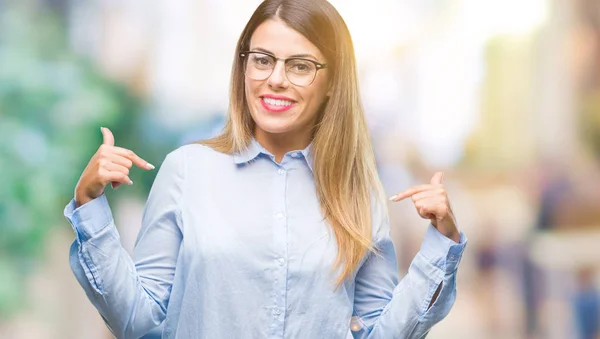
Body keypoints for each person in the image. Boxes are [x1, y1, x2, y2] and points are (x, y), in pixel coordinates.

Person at [64, 1, 467, 338]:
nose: (275, 79)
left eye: (300, 66)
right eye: (262, 60)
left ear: (332, 81)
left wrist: (441, 243)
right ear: (244, 67)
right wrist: (90, 208)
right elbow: (138, 320)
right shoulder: (187, 170)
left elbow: (380, 332)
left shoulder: (357, 190)